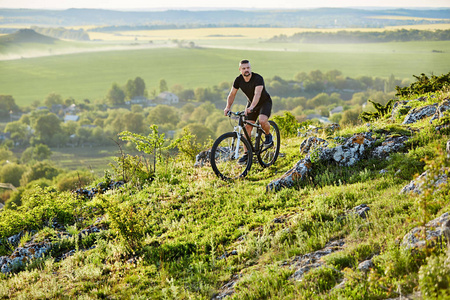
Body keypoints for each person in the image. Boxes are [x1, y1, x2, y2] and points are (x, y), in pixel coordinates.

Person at [224, 59, 273, 164]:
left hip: (264, 102)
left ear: (250, 68)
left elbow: (257, 94)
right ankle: (247, 154)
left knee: (262, 120)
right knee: (247, 127)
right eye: (244, 68)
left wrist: (251, 107)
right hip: (251, 104)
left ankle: (268, 135)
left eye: (248, 68)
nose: (246, 70)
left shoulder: (258, 78)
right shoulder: (238, 80)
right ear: (240, 70)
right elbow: (232, 94)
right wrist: (228, 107)